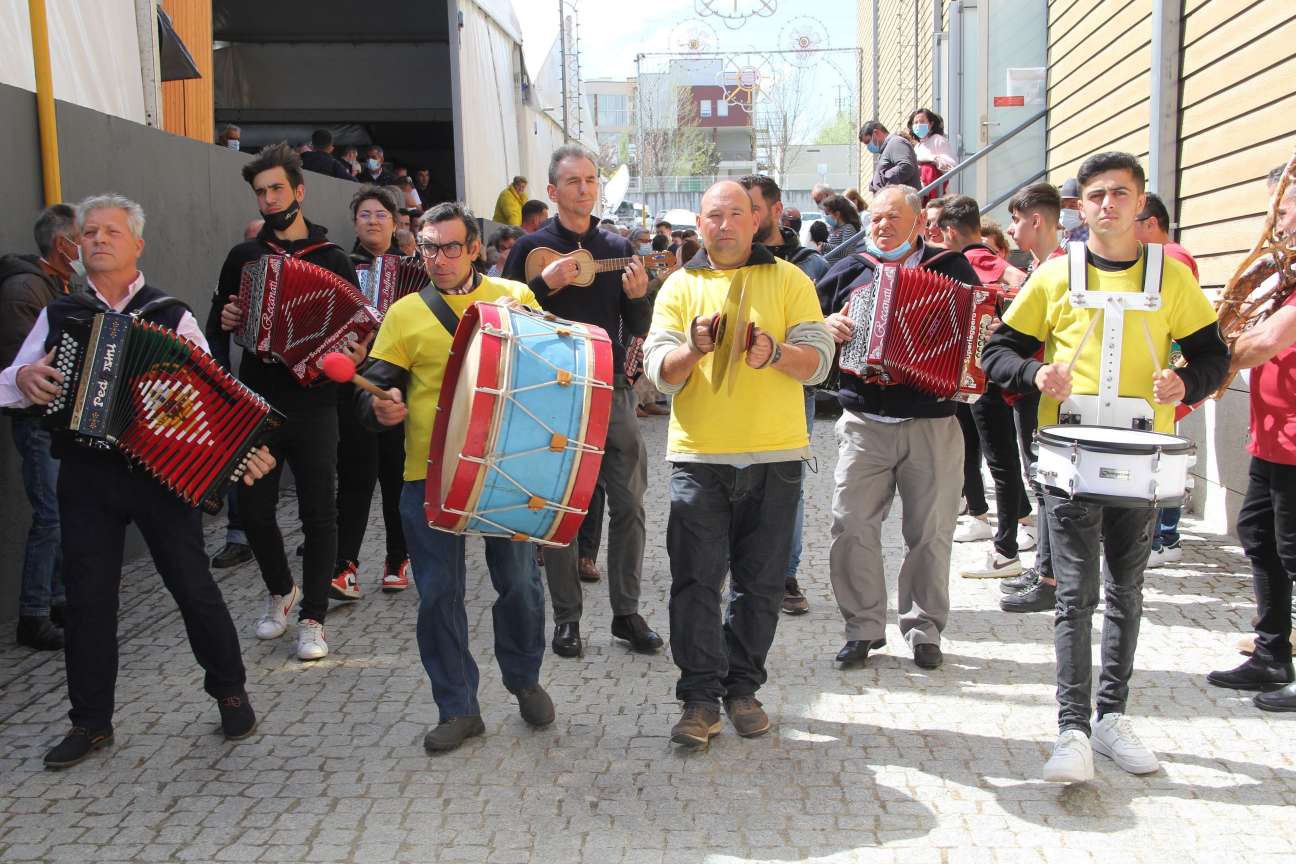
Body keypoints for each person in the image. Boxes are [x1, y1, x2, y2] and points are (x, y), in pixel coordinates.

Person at [0, 194, 276, 768]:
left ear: (136, 245)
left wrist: (241, 453)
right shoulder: (62, 314)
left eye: (111, 232)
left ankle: (229, 690)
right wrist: (25, 375)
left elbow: (214, 396)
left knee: (191, 585)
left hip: (158, 476)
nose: (98, 240)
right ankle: (91, 721)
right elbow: (9, 380)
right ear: (77, 246)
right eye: (90, 232)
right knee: (88, 598)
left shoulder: (168, 314)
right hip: (86, 472)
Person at [981, 151, 1227, 783]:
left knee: (1126, 590)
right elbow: (998, 351)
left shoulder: (1171, 279)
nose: (1108, 205)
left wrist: (1187, 383)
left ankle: (1110, 718)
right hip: (1068, 459)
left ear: (1141, 203)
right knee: (1073, 596)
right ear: (1080, 207)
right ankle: (1070, 731)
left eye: (1120, 193)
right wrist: (1037, 372)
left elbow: (1212, 356)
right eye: (1096, 195)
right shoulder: (1055, 275)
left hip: (1143, 457)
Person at [352, 201, 554, 752]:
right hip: (428, 474)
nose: (435, 258)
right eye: (427, 247)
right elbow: (370, 391)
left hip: (506, 471)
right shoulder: (404, 315)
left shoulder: (515, 300)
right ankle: (458, 707)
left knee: (518, 585)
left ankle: (523, 676)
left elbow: (552, 374)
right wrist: (380, 410)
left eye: (446, 247)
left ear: (473, 250)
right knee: (438, 594)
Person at [643, 180, 832, 748]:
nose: (723, 225)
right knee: (695, 582)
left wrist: (774, 352)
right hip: (699, 458)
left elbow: (820, 364)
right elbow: (658, 372)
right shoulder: (679, 285)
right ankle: (700, 697)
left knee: (762, 584)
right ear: (699, 225)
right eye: (713, 216)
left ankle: (742, 686)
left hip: (777, 456)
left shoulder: (791, 279)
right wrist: (693, 349)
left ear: (758, 220)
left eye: (735, 214)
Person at [502, 145, 662, 659]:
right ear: (552, 191)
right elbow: (503, 318)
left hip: (610, 386)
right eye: (572, 181)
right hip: (551, 392)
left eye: (591, 180)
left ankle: (626, 612)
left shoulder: (617, 245)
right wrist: (542, 287)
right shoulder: (529, 248)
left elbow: (637, 328)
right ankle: (567, 618)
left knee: (631, 504)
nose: (584, 189)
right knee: (561, 509)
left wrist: (638, 297)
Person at [211, 142, 363, 662]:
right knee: (253, 512)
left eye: (277, 188)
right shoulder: (244, 257)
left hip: (317, 402)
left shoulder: (333, 258)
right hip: (256, 401)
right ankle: (282, 592)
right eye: (261, 192)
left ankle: (314, 618)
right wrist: (229, 322)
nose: (270, 199)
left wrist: (354, 351)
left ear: (299, 191)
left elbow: (358, 331)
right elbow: (217, 327)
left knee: (320, 513)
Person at [820, 185, 979, 673]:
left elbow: (978, 326)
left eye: (892, 218)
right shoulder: (847, 270)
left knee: (931, 531)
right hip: (864, 420)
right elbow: (807, 340)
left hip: (933, 420)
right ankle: (863, 628)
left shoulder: (951, 269)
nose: (881, 226)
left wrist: (976, 349)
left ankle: (925, 627)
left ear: (920, 226)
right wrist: (826, 328)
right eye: (875, 218)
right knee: (851, 526)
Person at [1206, 165, 1296, 710]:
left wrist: (1206, 362)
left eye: (1283, 210)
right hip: (1272, 433)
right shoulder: (1287, 275)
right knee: (1259, 535)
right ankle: (1271, 653)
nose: (1275, 222)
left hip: (1294, 438)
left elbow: (1266, 340)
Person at [740, 174, 829, 616]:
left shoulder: (809, 265)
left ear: (776, 211)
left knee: (786, 487)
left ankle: (784, 573)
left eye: (753, 208)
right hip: (735, 394)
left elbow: (826, 330)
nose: (746, 218)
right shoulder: (726, 261)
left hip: (792, 392)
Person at [933, 194, 1035, 579]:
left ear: (951, 231)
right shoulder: (1003, 263)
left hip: (982, 376)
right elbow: (1022, 289)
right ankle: (994, 525)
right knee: (988, 457)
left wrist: (996, 329)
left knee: (998, 461)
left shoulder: (967, 264)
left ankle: (1006, 550)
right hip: (995, 375)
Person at [0, 204, 76, 651]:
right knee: (50, 516)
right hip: (37, 422)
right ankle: (33, 614)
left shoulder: (54, 285)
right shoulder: (25, 290)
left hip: (54, 421)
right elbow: (23, 367)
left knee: (63, 512)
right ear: (63, 243)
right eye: (82, 237)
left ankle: (60, 601)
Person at [330, 185, 411, 601]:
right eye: (365, 214)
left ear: (395, 223)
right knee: (355, 476)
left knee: (396, 475)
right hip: (353, 384)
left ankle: (398, 557)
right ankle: (345, 564)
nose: (373, 221)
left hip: (398, 386)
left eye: (381, 214)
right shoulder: (340, 265)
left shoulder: (412, 268)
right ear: (354, 222)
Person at [998, 182, 1068, 612]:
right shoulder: (1044, 267)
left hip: (1041, 391)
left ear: (1036, 220)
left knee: (1045, 485)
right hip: (1032, 387)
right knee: (1039, 483)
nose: (1011, 229)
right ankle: (1046, 567)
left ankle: (1052, 577)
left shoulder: (1055, 269)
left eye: (1016, 220)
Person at [1134, 191, 1201, 566]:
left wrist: (1176, 375)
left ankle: (1164, 537)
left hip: (1169, 377)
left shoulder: (1170, 260)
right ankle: (1164, 535)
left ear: (1151, 224)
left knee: (1165, 456)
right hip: (1168, 376)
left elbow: (1176, 329)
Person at [208, 218, 265, 572]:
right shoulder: (233, 278)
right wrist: (221, 378)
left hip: (295, 387)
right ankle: (239, 537)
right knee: (240, 455)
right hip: (244, 381)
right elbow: (214, 329)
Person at [906, 108, 957, 200]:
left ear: (931, 124)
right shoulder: (918, 146)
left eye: (922, 121)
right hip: (920, 190)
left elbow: (951, 166)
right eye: (915, 123)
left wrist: (931, 159)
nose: (918, 125)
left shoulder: (938, 140)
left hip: (936, 191)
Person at [861, 120, 920, 193]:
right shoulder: (885, 150)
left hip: (902, 201)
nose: (868, 146)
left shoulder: (896, 142)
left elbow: (906, 167)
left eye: (868, 141)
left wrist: (885, 184)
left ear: (876, 133)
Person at [1058, 177, 1088, 244]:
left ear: (1082, 207)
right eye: (1062, 206)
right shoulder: (1063, 238)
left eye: (1072, 206)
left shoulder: (1087, 239)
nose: (1066, 210)